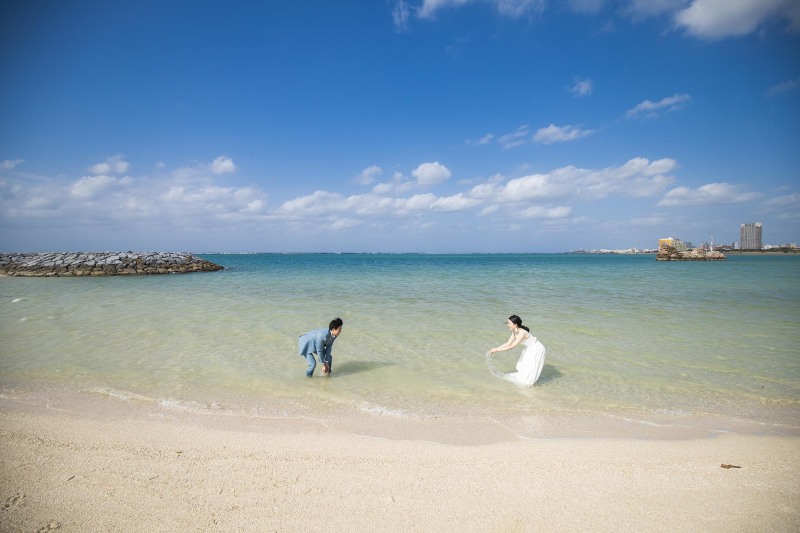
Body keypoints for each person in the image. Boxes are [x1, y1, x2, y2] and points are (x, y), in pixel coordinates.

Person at [488, 315, 546, 386]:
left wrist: (497, 350)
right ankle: (526, 380)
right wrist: (496, 348)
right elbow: (508, 343)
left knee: (531, 366)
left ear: (515, 325)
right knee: (524, 364)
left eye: (509, 323)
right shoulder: (514, 332)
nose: (508, 325)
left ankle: (528, 382)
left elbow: (511, 346)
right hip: (529, 348)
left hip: (537, 348)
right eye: (507, 323)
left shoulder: (522, 333)